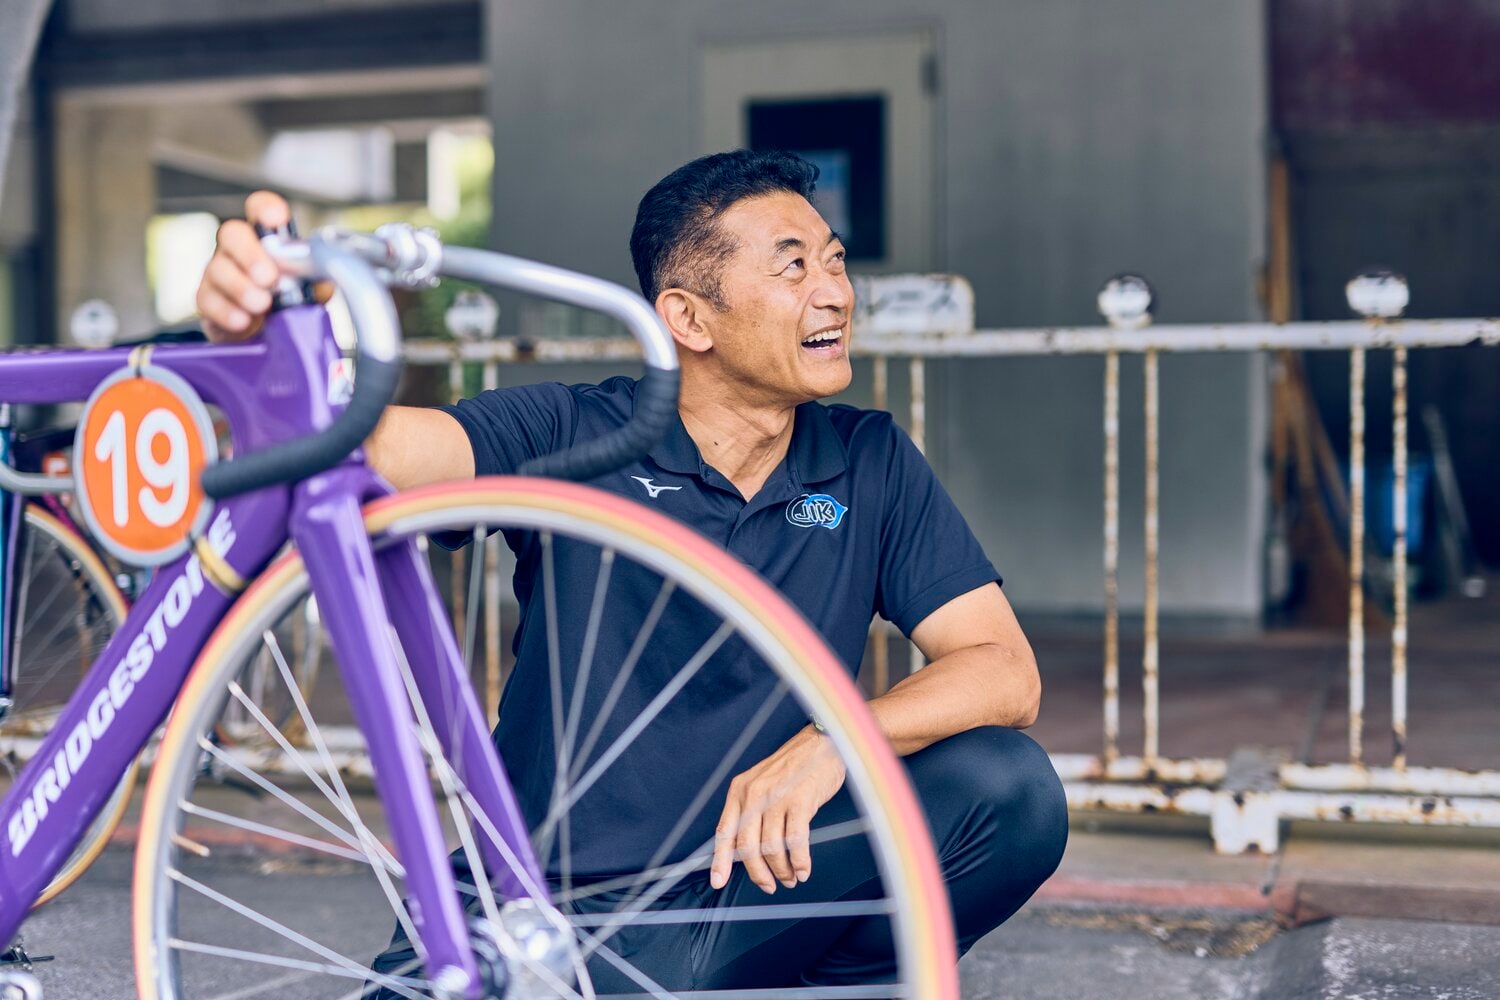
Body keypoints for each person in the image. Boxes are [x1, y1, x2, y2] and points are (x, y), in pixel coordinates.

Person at [197, 150, 1067, 993]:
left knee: (1009, 789)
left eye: (835, 263)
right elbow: (385, 450)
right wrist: (279, 350)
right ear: (689, 319)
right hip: (546, 912)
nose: (834, 291)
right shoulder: (580, 434)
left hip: (746, 895)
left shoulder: (868, 458)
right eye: (792, 266)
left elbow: (1002, 669)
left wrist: (833, 744)